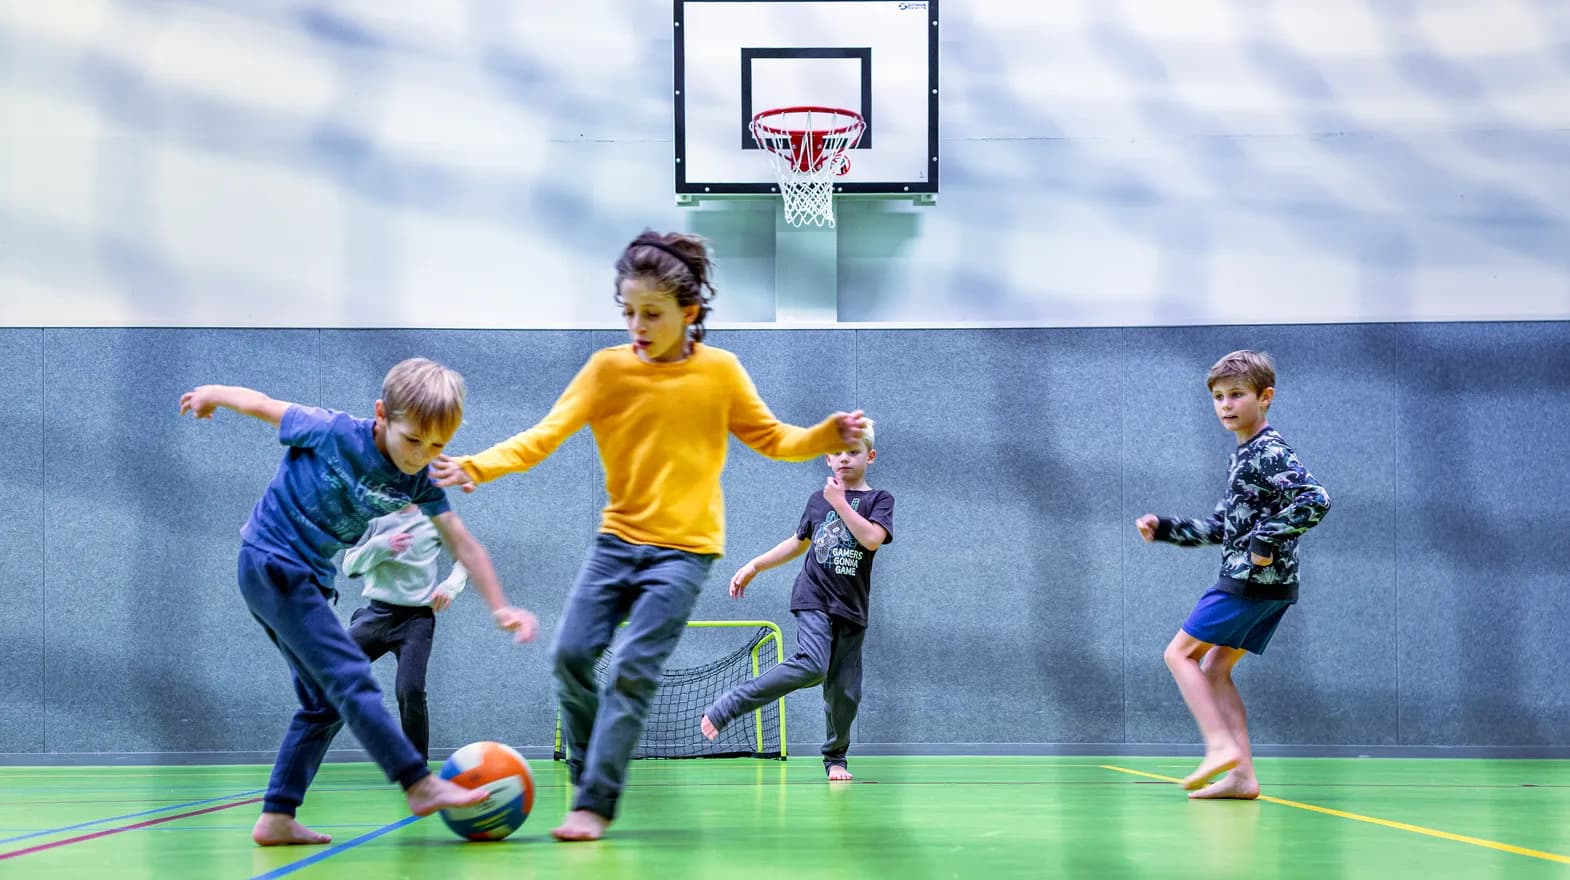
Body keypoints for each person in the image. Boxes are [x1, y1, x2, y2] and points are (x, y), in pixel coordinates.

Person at [431, 229, 865, 841]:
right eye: (628, 311)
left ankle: (595, 802)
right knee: (570, 657)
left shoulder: (720, 373)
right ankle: (588, 769)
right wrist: (475, 466)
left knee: (633, 669)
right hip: (617, 544)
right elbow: (543, 436)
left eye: (652, 313)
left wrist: (825, 435)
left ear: (688, 312)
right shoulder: (607, 370)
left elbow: (774, 439)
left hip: (685, 552)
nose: (637, 324)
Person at [179, 357, 538, 846]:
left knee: (323, 703)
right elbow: (262, 404)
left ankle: (277, 815)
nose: (421, 455)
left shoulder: (419, 479)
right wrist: (211, 395)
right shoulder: (332, 431)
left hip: (304, 579)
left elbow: (462, 542)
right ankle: (417, 781)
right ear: (382, 415)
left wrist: (500, 607)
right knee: (350, 675)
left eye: (437, 446)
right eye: (413, 440)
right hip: (272, 561)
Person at [1135, 350, 1330, 799]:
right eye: (1219, 396)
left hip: (1250, 581)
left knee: (1179, 655)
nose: (1226, 404)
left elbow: (1315, 499)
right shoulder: (1243, 456)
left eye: (1236, 394)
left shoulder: (1268, 451)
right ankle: (1242, 777)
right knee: (1215, 668)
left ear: (1265, 397)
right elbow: (1223, 526)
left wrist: (1265, 540)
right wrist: (1165, 529)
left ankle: (1220, 745)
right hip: (1270, 586)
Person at [701, 420, 892, 782]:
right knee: (813, 665)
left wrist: (841, 503)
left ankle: (835, 757)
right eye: (836, 452)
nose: (844, 458)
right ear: (826, 459)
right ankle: (731, 704)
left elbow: (871, 539)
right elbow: (798, 541)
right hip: (814, 596)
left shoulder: (879, 500)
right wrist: (755, 565)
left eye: (853, 452)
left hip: (852, 609)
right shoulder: (818, 501)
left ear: (870, 456)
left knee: (845, 694)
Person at [342, 503, 472, 762]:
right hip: (376, 616)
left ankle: (418, 769)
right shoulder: (369, 515)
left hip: (416, 621)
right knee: (327, 673)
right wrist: (381, 545)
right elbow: (349, 566)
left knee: (410, 690)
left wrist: (451, 586)